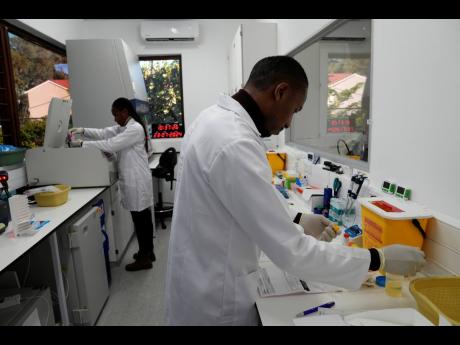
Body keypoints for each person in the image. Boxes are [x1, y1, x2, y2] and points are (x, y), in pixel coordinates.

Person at [165, 56, 425, 325]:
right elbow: (293, 252)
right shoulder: (235, 142)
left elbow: (245, 196)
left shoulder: (214, 119)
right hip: (216, 301)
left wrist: (297, 218)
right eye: (295, 110)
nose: (289, 123)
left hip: (198, 278)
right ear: (280, 91)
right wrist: (377, 258)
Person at [68, 97, 156, 272]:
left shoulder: (134, 129)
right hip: (137, 179)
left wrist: (82, 144)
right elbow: (104, 133)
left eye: (116, 114)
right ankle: (147, 251)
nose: (114, 118)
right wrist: (83, 130)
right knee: (143, 218)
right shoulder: (126, 127)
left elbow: (111, 144)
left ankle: (145, 258)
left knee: (140, 220)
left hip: (136, 180)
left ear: (125, 112)